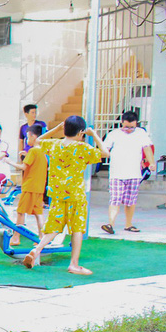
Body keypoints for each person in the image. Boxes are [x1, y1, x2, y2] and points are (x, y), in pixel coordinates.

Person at [22, 116, 110, 275]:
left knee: (54, 226)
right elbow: (105, 153)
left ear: (65, 129)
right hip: (76, 195)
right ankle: (74, 264)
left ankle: (37, 250)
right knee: (77, 229)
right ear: (81, 133)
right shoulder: (83, 148)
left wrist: (56, 130)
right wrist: (94, 134)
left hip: (57, 193)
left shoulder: (55, 144)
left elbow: (37, 141)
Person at [100, 110, 154, 234]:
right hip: (116, 173)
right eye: (126, 127)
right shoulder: (114, 134)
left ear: (136, 124)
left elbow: (147, 148)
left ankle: (128, 224)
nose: (129, 129)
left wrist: (151, 163)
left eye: (132, 127)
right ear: (121, 123)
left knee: (131, 201)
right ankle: (110, 224)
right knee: (115, 199)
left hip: (134, 173)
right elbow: (105, 149)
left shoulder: (141, 133)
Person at [11, 124, 47, 245]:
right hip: (39, 186)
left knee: (21, 211)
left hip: (30, 185)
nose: (27, 140)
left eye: (28, 137)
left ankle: (16, 236)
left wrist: (9, 162)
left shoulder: (33, 151)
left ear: (33, 136)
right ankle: (42, 238)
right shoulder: (43, 151)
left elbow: (23, 167)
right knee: (38, 213)